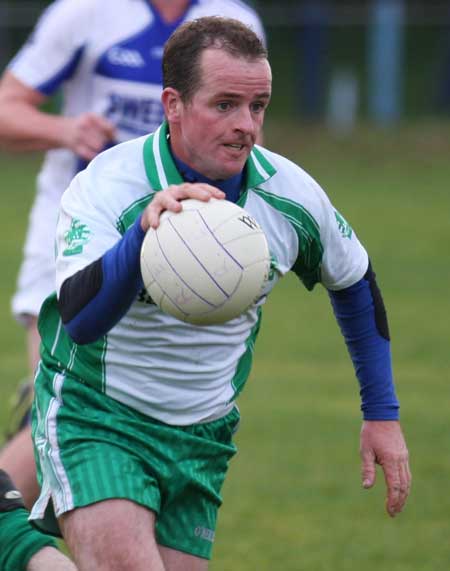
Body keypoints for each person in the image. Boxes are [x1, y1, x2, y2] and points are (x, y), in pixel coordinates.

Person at [2, 16, 411, 571]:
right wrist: (141, 238)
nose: (246, 125)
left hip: (203, 433)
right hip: (97, 416)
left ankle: (12, 543)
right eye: (225, 105)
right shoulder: (109, 185)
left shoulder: (288, 196)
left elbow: (356, 282)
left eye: (258, 106)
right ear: (173, 104)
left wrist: (381, 414)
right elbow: (80, 318)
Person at [0, 0, 265, 510]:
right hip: (76, 234)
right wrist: (66, 130)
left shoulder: (235, 24)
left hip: (185, 247)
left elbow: (248, 147)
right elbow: (8, 107)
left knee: (134, 419)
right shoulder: (84, 13)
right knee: (63, 409)